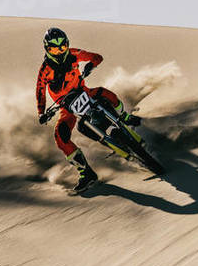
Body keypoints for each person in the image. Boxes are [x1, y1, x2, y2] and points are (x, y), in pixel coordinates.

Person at [35, 27, 140, 193]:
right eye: (54, 49)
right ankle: (86, 172)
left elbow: (97, 57)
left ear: (67, 45)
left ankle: (124, 116)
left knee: (107, 94)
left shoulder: (74, 53)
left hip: (84, 92)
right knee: (60, 137)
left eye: (62, 47)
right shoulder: (45, 70)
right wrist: (42, 112)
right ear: (47, 49)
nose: (59, 51)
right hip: (66, 108)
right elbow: (40, 91)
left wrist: (91, 64)